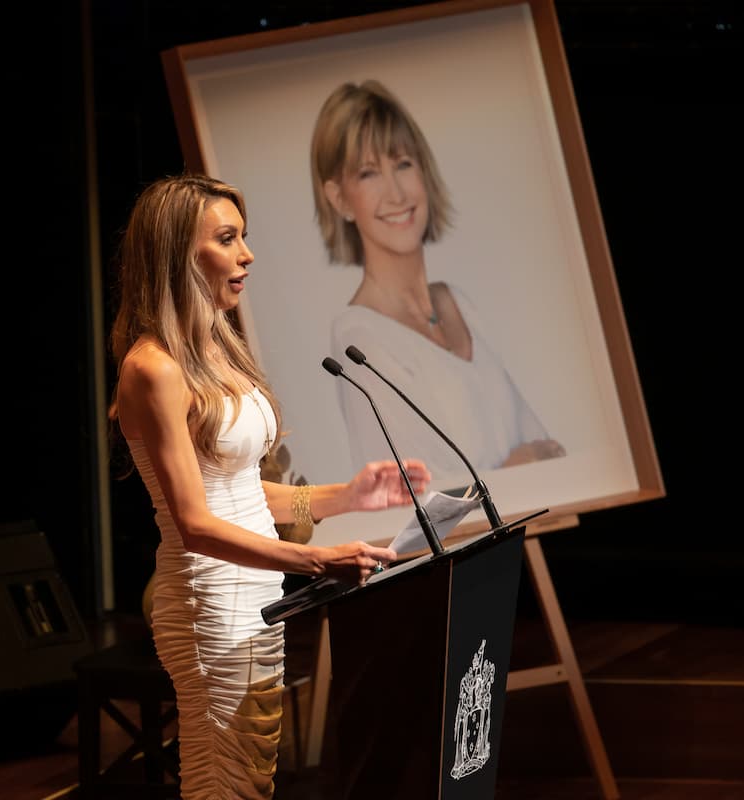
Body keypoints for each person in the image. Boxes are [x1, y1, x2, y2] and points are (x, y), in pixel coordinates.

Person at [109, 173, 430, 799]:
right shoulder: (153, 368)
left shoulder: (215, 351)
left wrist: (349, 496)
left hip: (257, 595)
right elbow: (195, 524)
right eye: (227, 240)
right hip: (210, 604)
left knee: (251, 781)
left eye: (244, 238)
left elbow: (241, 491)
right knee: (220, 781)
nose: (246, 255)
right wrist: (314, 558)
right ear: (178, 253)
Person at [310, 79, 566, 477]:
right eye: (368, 173)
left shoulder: (458, 302)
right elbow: (419, 497)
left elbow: (548, 451)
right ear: (339, 198)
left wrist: (515, 467)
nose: (395, 193)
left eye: (403, 164)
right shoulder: (357, 338)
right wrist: (514, 465)